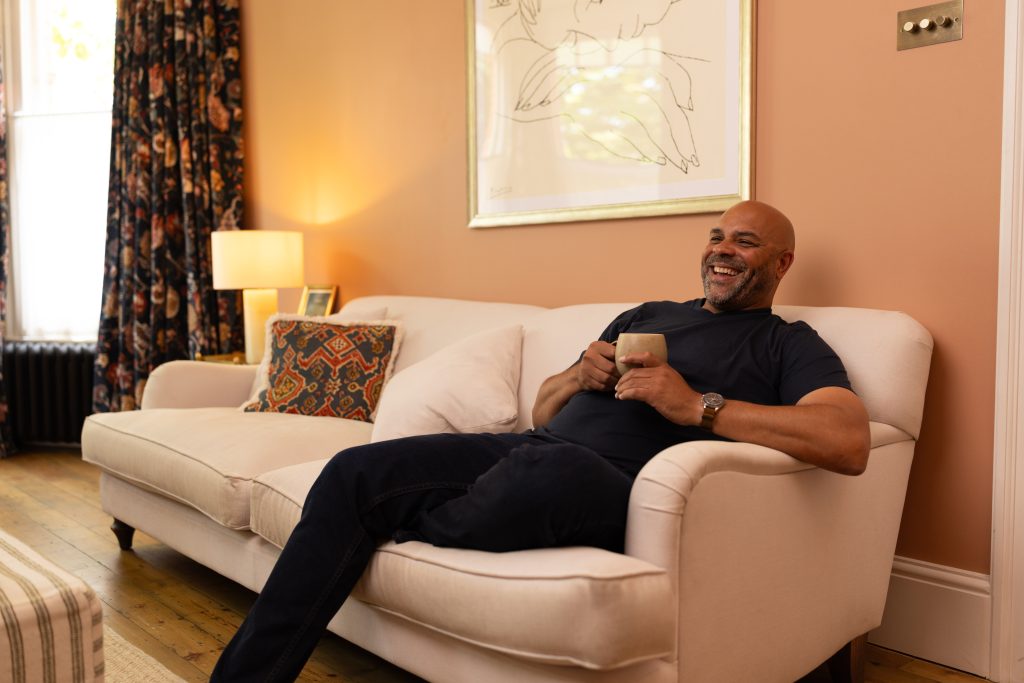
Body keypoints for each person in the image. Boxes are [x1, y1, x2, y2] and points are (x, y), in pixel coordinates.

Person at [210, 200, 870, 682]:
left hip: (608, 481)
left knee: (547, 480)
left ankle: (384, 521)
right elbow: (542, 405)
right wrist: (575, 374)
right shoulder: (646, 314)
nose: (722, 249)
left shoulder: (786, 342)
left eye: (745, 242)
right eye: (717, 236)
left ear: (782, 262)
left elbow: (847, 439)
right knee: (351, 471)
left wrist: (695, 405)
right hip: (524, 447)